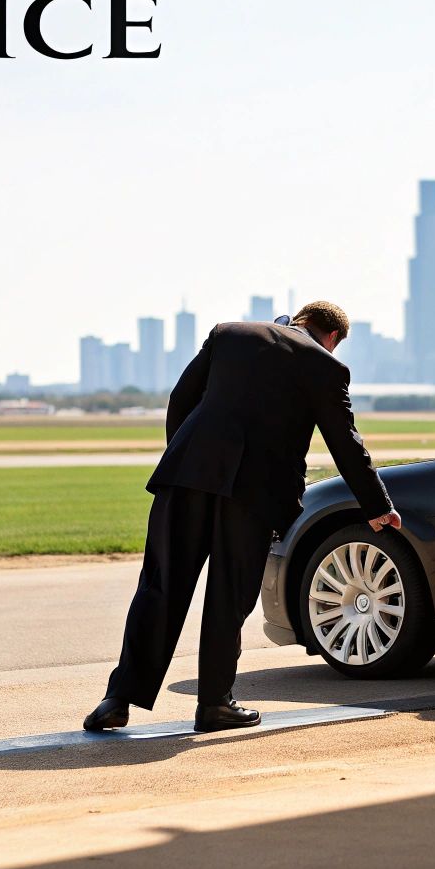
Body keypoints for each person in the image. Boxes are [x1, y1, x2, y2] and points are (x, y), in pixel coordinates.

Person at [84, 301, 400, 734]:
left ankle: (117, 700)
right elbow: (346, 443)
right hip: (253, 495)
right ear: (332, 339)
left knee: (160, 587)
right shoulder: (325, 367)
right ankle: (214, 704)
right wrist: (378, 507)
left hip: (187, 477)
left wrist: (188, 458)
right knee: (228, 597)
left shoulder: (228, 334)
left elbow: (181, 401)